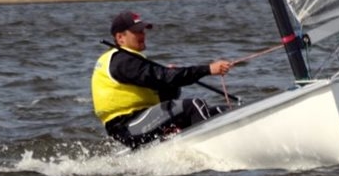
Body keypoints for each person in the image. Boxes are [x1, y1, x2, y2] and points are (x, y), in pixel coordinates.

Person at [91, 10, 234, 149]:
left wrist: (170, 80)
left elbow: (166, 93)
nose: (142, 35)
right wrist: (208, 69)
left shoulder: (131, 60)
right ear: (120, 37)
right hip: (126, 126)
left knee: (221, 110)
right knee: (194, 106)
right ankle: (215, 149)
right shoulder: (122, 60)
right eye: (137, 31)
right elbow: (165, 77)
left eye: (142, 31)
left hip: (143, 120)